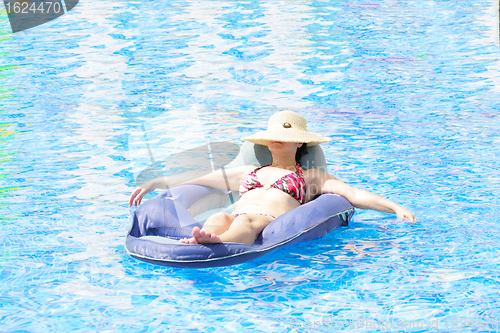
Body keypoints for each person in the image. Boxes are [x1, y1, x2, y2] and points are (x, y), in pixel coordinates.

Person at [129, 111, 417, 245]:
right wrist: (157, 181)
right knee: (220, 219)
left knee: (245, 221)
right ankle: (210, 237)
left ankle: (216, 243)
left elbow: (353, 194)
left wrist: (395, 208)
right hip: (239, 213)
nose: (277, 141)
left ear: (300, 144)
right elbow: (201, 179)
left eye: (286, 138)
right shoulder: (249, 172)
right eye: (274, 137)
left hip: (267, 220)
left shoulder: (311, 177)